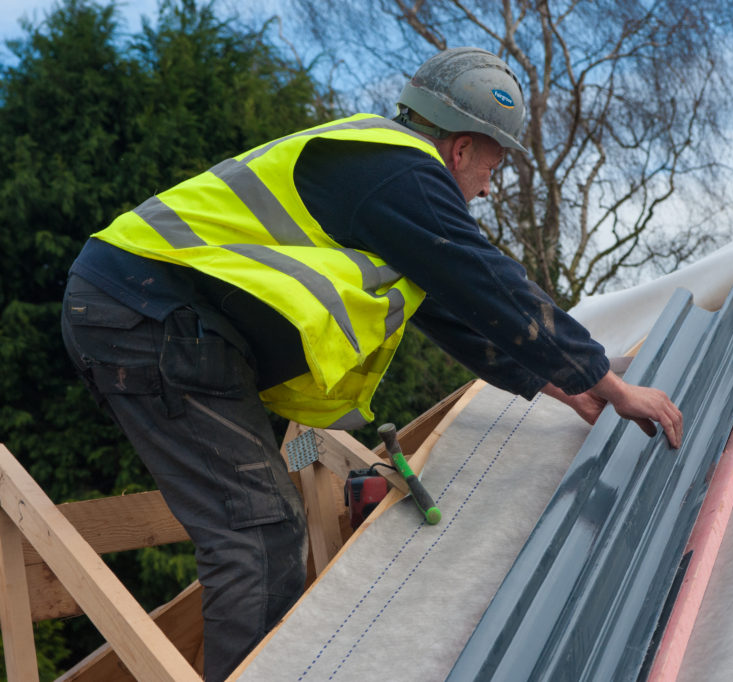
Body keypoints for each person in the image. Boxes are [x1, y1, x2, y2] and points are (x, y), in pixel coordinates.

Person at [60, 47, 682, 680]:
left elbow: (460, 313)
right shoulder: (400, 174)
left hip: (154, 317)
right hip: (145, 315)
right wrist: (607, 382)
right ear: (459, 149)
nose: (490, 189)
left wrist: (573, 391)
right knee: (257, 533)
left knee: (266, 529)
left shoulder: (382, 183)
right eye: (491, 167)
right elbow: (488, 282)